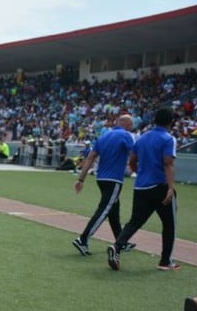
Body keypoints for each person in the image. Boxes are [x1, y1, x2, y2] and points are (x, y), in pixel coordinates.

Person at [107, 108, 179, 271]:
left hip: (141, 187)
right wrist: (170, 188)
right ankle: (165, 261)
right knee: (169, 224)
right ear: (170, 122)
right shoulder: (168, 139)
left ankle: (117, 247)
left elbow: (132, 162)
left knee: (134, 222)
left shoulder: (141, 138)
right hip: (160, 186)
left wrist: (141, 174)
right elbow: (168, 163)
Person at [72, 115, 136, 256]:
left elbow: (90, 158)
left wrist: (80, 179)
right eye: (131, 125)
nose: (132, 127)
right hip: (114, 179)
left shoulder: (103, 136)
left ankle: (121, 241)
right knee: (104, 210)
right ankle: (83, 239)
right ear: (125, 124)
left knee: (114, 211)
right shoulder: (126, 136)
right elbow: (134, 154)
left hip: (101, 178)